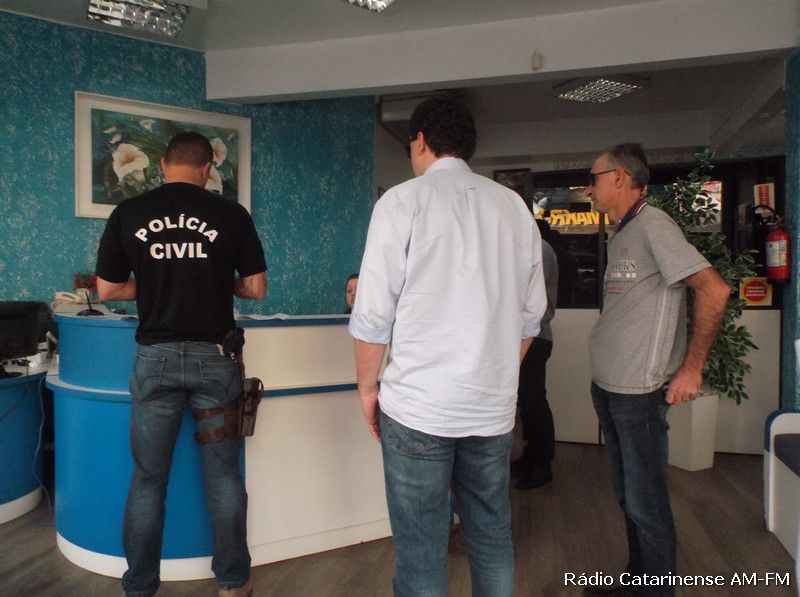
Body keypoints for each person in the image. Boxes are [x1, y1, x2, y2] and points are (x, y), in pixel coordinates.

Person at [348, 93, 546, 597]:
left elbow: (372, 316)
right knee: (491, 533)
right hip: (491, 410)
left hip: (418, 406)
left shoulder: (401, 202)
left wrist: (368, 389)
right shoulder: (514, 207)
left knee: (421, 546)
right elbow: (531, 316)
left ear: (419, 141)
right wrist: (496, 370)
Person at [95, 131, 267, 597]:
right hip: (215, 361)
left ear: (163, 165)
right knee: (224, 477)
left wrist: (153, 283)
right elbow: (255, 288)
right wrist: (221, 281)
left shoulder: (129, 212)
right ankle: (233, 583)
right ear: (208, 168)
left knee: (148, 480)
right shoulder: (231, 214)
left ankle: (139, 586)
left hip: (156, 361)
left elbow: (107, 289)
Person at [585, 143, 730, 596]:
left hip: (639, 395)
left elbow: (714, 290)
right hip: (610, 388)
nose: (588, 189)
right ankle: (638, 585)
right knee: (628, 498)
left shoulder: (654, 224)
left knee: (646, 504)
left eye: (593, 178)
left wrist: (692, 368)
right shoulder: (622, 231)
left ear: (619, 177)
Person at [513, 218, 558, 490]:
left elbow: (530, 300)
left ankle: (542, 464)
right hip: (524, 337)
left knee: (533, 401)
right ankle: (531, 457)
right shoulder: (530, 247)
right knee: (527, 401)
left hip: (535, 337)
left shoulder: (539, 249)